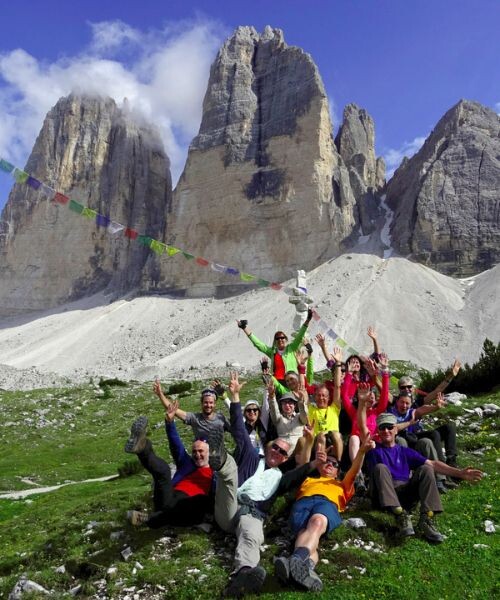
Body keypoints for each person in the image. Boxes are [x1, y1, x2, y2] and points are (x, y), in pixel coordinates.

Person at [213, 373, 326, 598]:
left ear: (286, 458)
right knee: (230, 473)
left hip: (251, 514)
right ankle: (220, 461)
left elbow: (297, 474)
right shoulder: (253, 457)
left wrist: (315, 461)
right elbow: (239, 431)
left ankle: (242, 576)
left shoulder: (279, 477)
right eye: (275, 448)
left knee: (252, 536)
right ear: (268, 447)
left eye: (283, 452)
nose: (278, 452)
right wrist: (235, 397)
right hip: (231, 503)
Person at [358, 406, 483, 543]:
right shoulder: (373, 449)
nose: (386, 431)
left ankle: (427, 517)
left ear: (396, 430)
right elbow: (363, 428)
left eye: (389, 427)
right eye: (382, 428)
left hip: (404, 494)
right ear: (378, 432)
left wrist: (460, 473)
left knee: (426, 468)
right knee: (381, 468)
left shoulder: (404, 451)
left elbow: (433, 464)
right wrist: (363, 404)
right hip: (381, 496)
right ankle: (399, 514)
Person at [274, 433, 375, 591]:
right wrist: (309, 442)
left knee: (317, 522)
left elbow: (354, 471)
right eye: (327, 461)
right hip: (303, 503)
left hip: (327, 504)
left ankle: (295, 559)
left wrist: (361, 452)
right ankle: (305, 569)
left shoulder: (342, 484)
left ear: (338, 472)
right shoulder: (308, 479)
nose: (330, 464)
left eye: (335, 464)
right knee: (307, 538)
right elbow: (303, 465)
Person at [124, 401, 214, 528]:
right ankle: (141, 446)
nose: (197, 454)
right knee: (164, 471)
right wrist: (170, 422)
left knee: (201, 501)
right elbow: (176, 445)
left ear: (209, 452)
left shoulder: (216, 473)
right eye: (194, 451)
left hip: (189, 505)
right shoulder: (187, 463)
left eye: (201, 451)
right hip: (169, 496)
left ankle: (149, 519)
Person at [393, 362, 461, 468]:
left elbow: (437, 391)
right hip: (406, 437)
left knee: (449, 427)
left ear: (413, 388)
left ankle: (452, 461)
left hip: (418, 433)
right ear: (399, 389)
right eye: (403, 387)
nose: (406, 389)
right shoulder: (396, 401)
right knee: (434, 434)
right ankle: (442, 465)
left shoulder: (417, 402)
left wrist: (450, 376)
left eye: (409, 386)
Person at [153, 380, 230, 469]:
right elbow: (174, 410)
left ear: (215, 404)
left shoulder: (221, 418)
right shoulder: (195, 418)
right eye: (205, 402)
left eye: (211, 402)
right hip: (201, 464)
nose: (208, 405)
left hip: (221, 465)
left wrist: (225, 397)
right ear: (201, 403)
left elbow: (238, 425)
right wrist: (160, 394)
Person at [390, 391, 456, 493]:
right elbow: (394, 428)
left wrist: (436, 407)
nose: (404, 405)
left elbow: (422, 410)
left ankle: (439, 479)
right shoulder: (391, 413)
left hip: (413, 441)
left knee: (426, 441)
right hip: (400, 443)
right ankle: (403, 479)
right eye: (402, 402)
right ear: (397, 402)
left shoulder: (412, 412)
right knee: (400, 440)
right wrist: (410, 423)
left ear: (411, 404)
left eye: (407, 403)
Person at [236, 308, 313, 384]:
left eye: (282, 337)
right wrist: (244, 328)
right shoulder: (272, 352)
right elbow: (258, 344)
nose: (280, 340)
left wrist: (308, 320)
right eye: (277, 338)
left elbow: (300, 335)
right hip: (278, 384)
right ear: (275, 342)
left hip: (292, 382)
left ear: (286, 339)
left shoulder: (292, 348)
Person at [267, 380, 309, 453]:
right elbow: (274, 409)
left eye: (290, 402)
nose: (287, 405)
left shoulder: (299, 417)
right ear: (281, 405)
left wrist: (300, 401)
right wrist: (271, 396)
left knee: (302, 441)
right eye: (284, 403)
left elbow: (305, 417)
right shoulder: (279, 418)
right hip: (282, 451)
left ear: (294, 405)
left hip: (298, 452)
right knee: (270, 444)